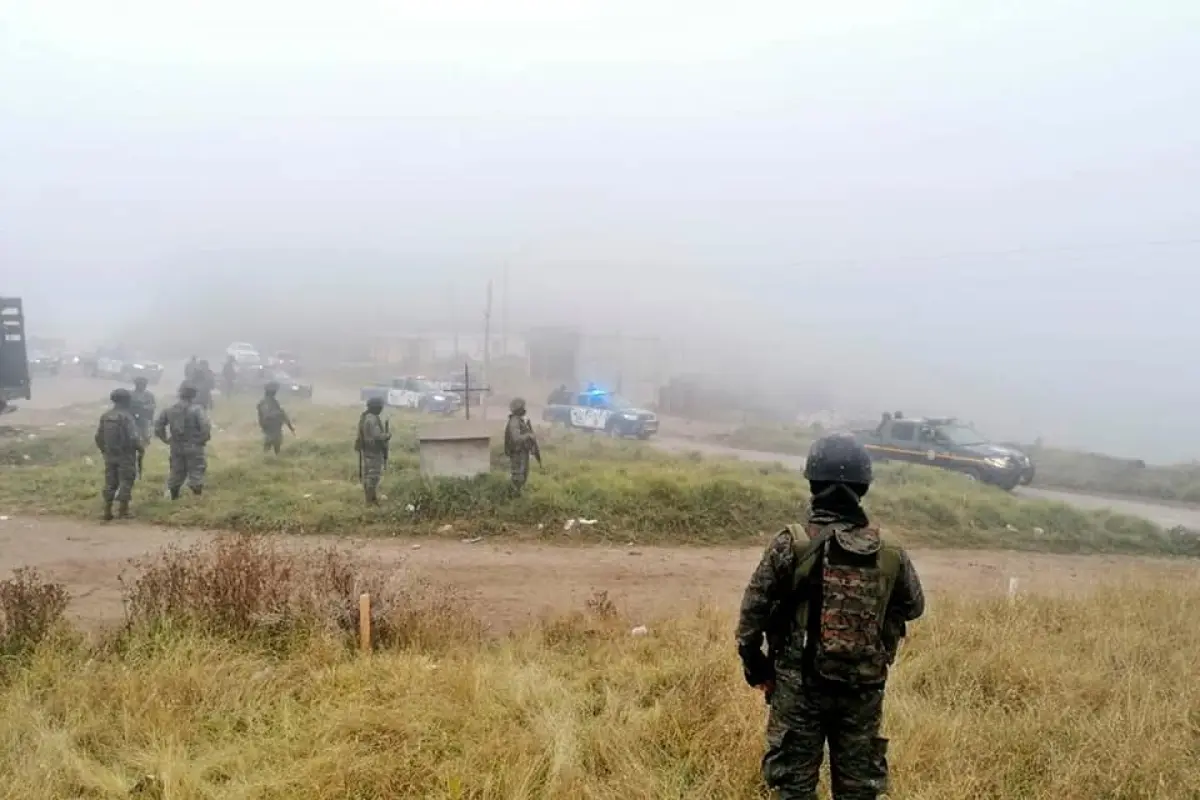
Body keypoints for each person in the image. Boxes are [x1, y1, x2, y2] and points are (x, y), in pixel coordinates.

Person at [735, 431, 925, 800]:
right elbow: (914, 606)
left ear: (812, 482)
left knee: (794, 788)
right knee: (858, 790)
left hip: (798, 688)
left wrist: (756, 668)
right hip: (863, 692)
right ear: (864, 486)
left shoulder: (792, 542)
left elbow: (751, 617)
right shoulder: (889, 551)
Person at [154, 381, 212, 499]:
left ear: (180, 393)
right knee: (196, 470)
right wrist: (202, 440)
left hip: (176, 446)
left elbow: (158, 427)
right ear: (193, 395)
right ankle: (197, 498)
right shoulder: (197, 409)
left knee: (176, 471)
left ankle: (174, 496)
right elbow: (205, 426)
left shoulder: (170, 409)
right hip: (194, 445)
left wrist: (166, 439)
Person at [94, 388, 144, 520]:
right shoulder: (127, 417)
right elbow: (133, 437)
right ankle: (123, 510)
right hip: (126, 455)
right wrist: (140, 448)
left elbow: (98, 437)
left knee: (110, 482)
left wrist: (105, 451)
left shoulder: (106, 416)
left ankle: (107, 510)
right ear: (126, 400)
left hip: (110, 455)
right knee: (126, 481)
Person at [354, 397, 390, 504]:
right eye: (380, 406)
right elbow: (377, 436)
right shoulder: (372, 419)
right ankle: (370, 500)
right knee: (373, 476)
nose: (381, 408)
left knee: (369, 475)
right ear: (376, 407)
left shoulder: (366, 417)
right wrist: (387, 435)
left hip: (368, 450)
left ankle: (371, 499)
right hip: (373, 450)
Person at [504, 397, 540, 493]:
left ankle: (518, 494)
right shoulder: (514, 422)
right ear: (519, 409)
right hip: (517, 453)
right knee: (518, 476)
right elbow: (516, 438)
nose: (525, 409)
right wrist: (528, 436)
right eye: (523, 407)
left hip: (522, 452)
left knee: (523, 474)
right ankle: (515, 497)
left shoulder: (520, 420)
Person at [256, 381, 295, 455]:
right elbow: (267, 415)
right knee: (271, 441)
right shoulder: (265, 402)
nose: (275, 393)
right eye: (274, 391)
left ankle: (273, 457)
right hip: (270, 426)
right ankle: (268, 457)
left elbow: (281, 414)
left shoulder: (272, 401)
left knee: (276, 442)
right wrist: (279, 414)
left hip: (274, 426)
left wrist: (289, 425)